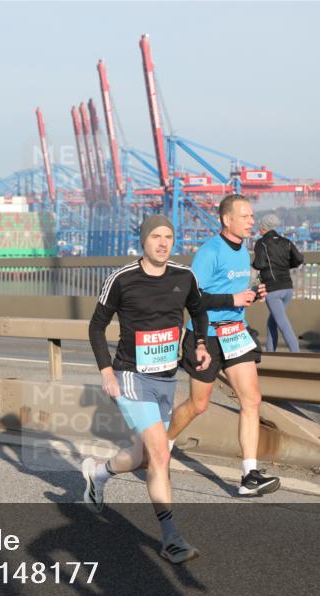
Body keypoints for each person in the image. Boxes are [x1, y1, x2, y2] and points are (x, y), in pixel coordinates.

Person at [82, 215, 211, 565]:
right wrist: (106, 370)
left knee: (140, 456)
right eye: (156, 236)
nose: (163, 242)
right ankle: (171, 539)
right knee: (160, 454)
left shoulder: (185, 277)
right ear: (143, 240)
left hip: (167, 378)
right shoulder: (122, 279)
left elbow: (199, 312)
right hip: (130, 376)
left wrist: (199, 343)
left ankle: (98, 472)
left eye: (168, 236)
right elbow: (96, 327)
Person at [166, 194, 281, 497]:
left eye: (252, 217)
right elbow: (192, 298)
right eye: (244, 217)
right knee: (198, 405)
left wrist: (254, 293)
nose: (251, 222)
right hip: (205, 336)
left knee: (252, 400)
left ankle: (249, 475)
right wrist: (232, 299)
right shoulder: (210, 251)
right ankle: (162, 445)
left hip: (235, 333)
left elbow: (236, 291)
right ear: (226, 220)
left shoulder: (244, 252)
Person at [251, 213, 304, 353]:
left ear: (264, 228)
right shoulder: (286, 242)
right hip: (288, 288)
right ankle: (270, 353)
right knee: (272, 321)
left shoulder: (261, 243)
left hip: (273, 290)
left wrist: (254, 264)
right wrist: (285, 265)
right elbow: (298, 259)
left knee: (283, 324)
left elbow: (260, 263)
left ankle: (297, 354)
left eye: (261, 226)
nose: (259, 229)